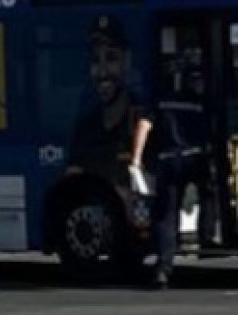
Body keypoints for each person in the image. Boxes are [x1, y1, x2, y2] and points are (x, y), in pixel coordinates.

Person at [130, 58, 217, 289]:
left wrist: (136, 160)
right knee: (209, 191)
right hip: (195, 157)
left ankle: (163, 268)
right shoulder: (199, 101)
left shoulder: (160, 100)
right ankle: (206, 239)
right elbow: (213, 130)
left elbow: (143, 126)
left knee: (166, 215)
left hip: (167, 161)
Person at [67, 14, 144, 189]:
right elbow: (71, 189)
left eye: (111, 58)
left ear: (127, 61)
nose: (102, 72)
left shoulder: (142, 123)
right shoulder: (85, 128)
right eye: (95, 60)